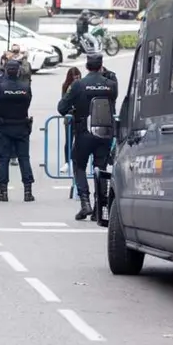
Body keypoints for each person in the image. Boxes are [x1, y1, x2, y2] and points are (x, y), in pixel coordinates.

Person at [58, 53, 118, 220]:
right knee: (101, 169)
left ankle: (85, 203)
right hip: (105, 132)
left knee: (79, 165)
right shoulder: (111, 85)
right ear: (101, 66)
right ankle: (100, 206)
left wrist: (75, 110)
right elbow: (114, 101)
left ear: (86, 67)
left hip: (84, 130)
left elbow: (62, 107)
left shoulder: (79, 84)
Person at [0, 58, 35, 202]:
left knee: (3, 159)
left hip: (5, 125)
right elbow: (28, 102)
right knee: (24, 158)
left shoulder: (0, 87)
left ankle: (3, 192)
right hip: (21, 124)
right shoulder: (25, 87)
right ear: (18, 71)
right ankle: (27, 191)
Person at [60, 67, 83, 173]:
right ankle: (67, 162)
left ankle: (78, 162)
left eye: (78, 77)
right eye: (74, 77)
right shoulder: (66, 86)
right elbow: (64, 102)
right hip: (69, 116)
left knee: (80, 140)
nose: (77, 79)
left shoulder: (82, 85)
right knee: (68, 140)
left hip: (80, 116)